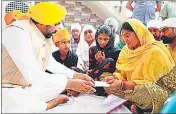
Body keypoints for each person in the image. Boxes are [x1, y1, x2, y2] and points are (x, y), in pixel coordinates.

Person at [2, 2, 95, 112]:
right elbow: (34, 76)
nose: (57, 28)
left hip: (27, 87)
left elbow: (49, 63)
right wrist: (69, 83)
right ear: (43, 24)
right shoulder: (16, 32)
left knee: (55, 85)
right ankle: (49, 105)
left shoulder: (42, 34)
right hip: (7, 88)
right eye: (55, 24)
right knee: (16, 103)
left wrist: (75, 75)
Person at [102, 19, 176, 113]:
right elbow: (121, 72)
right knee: (106, 80)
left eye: (127, 36)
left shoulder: (154, 51)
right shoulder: (126, 50)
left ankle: (135, 104)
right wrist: (115, 78)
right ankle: (133, 103)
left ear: (138, 33)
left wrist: (123, 84)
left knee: (143, 90)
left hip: (161, 92)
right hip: (130, 87)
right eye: (123, 37)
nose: (125, 40)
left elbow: (149, 82)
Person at [89, 25, 120, 96]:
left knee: (110, 61)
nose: (102, 42)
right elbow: (91, 68)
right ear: (96, 38)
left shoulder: (116, 52)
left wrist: (103, 62)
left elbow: (114, 72)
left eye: (105, 39)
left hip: (106, 83)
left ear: (111, 39)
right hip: (93, 81)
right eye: (100, 38)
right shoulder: (93, 50)